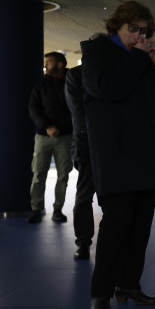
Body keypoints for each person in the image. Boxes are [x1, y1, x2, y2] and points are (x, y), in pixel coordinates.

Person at [80, 1, 155, 309]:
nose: (139, 36)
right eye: (133, 29)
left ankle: (128, 285)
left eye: (144, 31)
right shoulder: (98, 53)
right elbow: (109, 89)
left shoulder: (145, 58)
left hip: (148, 156)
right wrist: (139, 56)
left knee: (140, 228)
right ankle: (101, 293)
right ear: (117, 27)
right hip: (117, 157)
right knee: (116, 226)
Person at [27, 52, 73, 224]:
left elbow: (74, 108)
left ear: (59, 64)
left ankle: (58, 210)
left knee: (63, 175)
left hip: (64, 136)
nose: (45, 65)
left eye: (49, 62)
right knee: (38, 174)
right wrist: (48, 127)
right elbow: (33, 108)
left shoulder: (71, 82)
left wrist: (58, 128)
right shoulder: (40, 84)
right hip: (42, 137)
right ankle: (36, 210)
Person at [64, 64, 95, 260]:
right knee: (84, 196)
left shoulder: (76, 75)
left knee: (84, 196)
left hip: (88, 144)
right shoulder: (76, 75)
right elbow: (77, 112)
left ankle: (83, 242)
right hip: (87, 145)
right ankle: (83, 241)